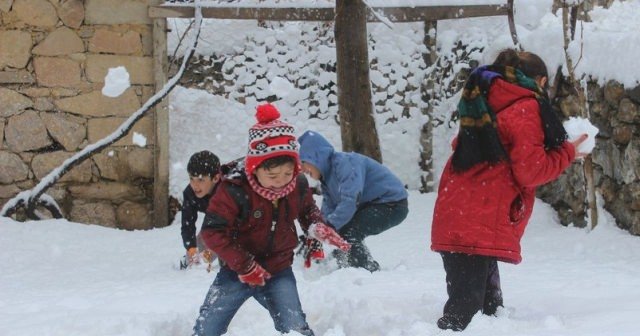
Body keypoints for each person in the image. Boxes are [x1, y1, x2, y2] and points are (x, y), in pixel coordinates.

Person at [430, 49, 589, 331]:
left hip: (462, 212)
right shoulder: (525, 106)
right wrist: (566, 153)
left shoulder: (485, 97)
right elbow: (531, 171)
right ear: (540, 81)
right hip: (476, 221)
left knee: (489, 314)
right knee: (463, 317)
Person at [192, 103, 351, 336]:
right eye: (273, 175)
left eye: (288, 173)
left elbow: (307, 211)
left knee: (296, 328)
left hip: (278, 270)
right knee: (206, 330)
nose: (281, 181)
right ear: (254, 168)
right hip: (236, 272)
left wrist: (317, 226)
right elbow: (212, 232)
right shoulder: (233, 189)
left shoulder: (297, 185)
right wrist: (245, 266)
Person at [298, 130, 409, 272]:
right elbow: (329, 208)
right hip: (371, 204)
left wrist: (329, 226)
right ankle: (343, 265)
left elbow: (350, 200)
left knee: (350, 232)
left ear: (316, 158)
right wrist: (319, 229)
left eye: (304, 162)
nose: (302, 168)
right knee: (342, 230)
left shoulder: (346, 163)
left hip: (391, 204)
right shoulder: (326, 179)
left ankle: (366, 270)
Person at [180, 150, 220, 269]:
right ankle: (189, 262)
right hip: (212, 220)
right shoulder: (190, 193)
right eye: (192, 178)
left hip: (239, 226)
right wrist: (191, 248)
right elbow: (187, 224)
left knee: (219, 250)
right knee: (197, 255)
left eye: (201, 180)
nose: (195, 185)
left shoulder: (227, 191)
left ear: (216, 178)